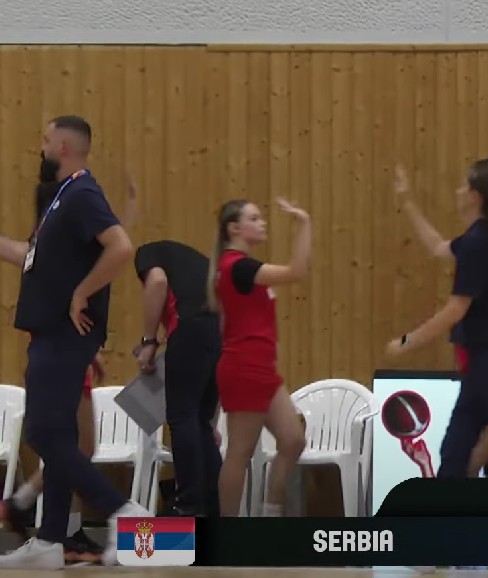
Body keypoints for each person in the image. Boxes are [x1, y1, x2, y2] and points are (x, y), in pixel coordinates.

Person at [0, 115, 149, 569]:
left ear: (63, 147)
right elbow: (32, 258)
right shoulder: (62, 199)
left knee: (43, 432)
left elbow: (120, 246)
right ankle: (49, 541)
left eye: (46, 140)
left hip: (64, 334)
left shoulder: (81, 192)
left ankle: (125, 512)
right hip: (53, 333)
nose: (41, 147)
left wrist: (83, 293)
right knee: (59, 434)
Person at [385, 158, 488, 480]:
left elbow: (455, 309)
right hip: (485, 361)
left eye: (464, 186)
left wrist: (406, 341)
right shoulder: (480, 237)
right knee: (456, 450)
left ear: (475, 197)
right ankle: (446, 509)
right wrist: (407, 201)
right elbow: (437, 246)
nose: (458, 190)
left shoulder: (480, 242)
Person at [211, 198, 310, 517]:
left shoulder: (240, 268)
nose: (262, 222)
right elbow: (296, 271)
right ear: (234, 228)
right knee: (240, 452)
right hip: (245, 366)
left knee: (293, 440)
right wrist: (304, 224)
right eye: (254, 218)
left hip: (263, 369)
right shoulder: (238, 266)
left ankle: (270, 513)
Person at [134, 239, 223, 517]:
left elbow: (157, 282)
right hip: (220, 332)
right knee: (201, 422)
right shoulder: (198, 266)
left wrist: (149, 341)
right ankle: (211, 506)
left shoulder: (147, 253)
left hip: (189, 328)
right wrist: (214, 421)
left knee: (181, 416)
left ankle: (186, 505)